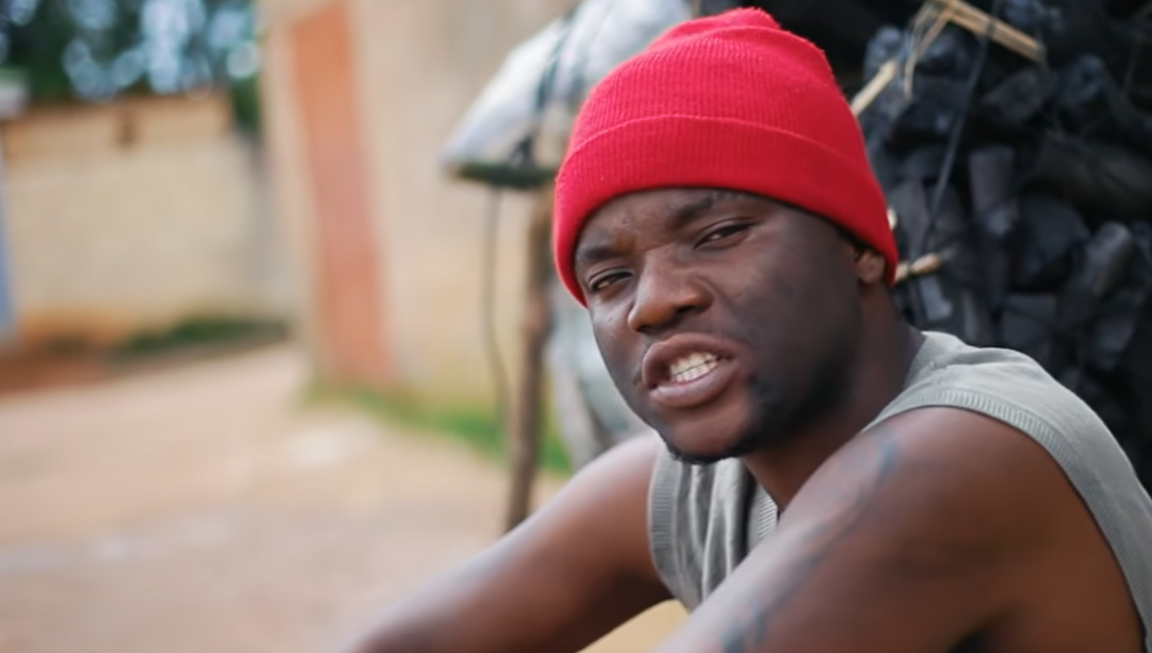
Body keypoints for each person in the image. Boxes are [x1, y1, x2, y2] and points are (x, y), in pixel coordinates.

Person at [344, 8, 1152, 653]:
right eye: (608, 279)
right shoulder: (697, 486)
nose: (653, 303)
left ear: (860, 247)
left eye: (720, 234)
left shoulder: (965, 453)